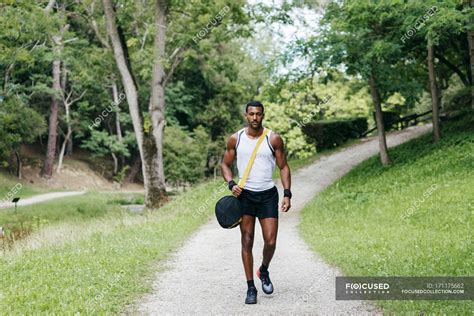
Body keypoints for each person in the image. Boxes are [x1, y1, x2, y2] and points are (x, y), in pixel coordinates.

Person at [220, 100, 292, 304]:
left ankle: (264, 270)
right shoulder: (236, 139)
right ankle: (251, 287)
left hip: (268, 194)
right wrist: (231, 183)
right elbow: (225, 165)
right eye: (251, 114)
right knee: (247, 240)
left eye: (258, 114)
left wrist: (287, 193)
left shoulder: (274, 139)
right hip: (245, 196)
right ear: (246, 115)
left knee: (270, 241)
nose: (254, 118)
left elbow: (284, 167)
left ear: (263, 115)